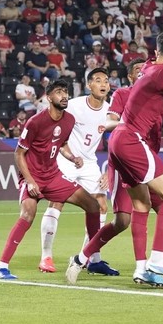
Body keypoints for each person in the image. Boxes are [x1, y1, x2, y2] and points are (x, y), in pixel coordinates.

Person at [65, 33, 163, 287]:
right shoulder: (161, 74)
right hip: (133, 142)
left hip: (122, 142)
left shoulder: (150, 70)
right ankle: (156, 259)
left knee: (141, 206)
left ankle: (95, 261)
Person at [0, 79, 102, 280]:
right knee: (28, 214)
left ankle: (90, 258)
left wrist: (72, 157)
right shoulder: (35, 121)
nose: (64, 96)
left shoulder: (69, 120)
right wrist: (30, 181)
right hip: (32, 176)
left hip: (53, 176)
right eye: (59, 92)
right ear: (49, 97)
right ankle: (1, 267)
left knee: (93, 205)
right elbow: (18, 154)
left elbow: (61, 144)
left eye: (66, 92)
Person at [38, 68, 118, 276]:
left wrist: (109, 169)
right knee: (57, 202)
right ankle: (46, 256)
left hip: (89, 163)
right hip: (66, 160)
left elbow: (118, 142)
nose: (103, 84)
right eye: (98, 80)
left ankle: (90, 257)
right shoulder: (74, 106)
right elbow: (51, 122)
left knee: (101, 206)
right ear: (89, 85)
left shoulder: (110, 111)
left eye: (106, 80)